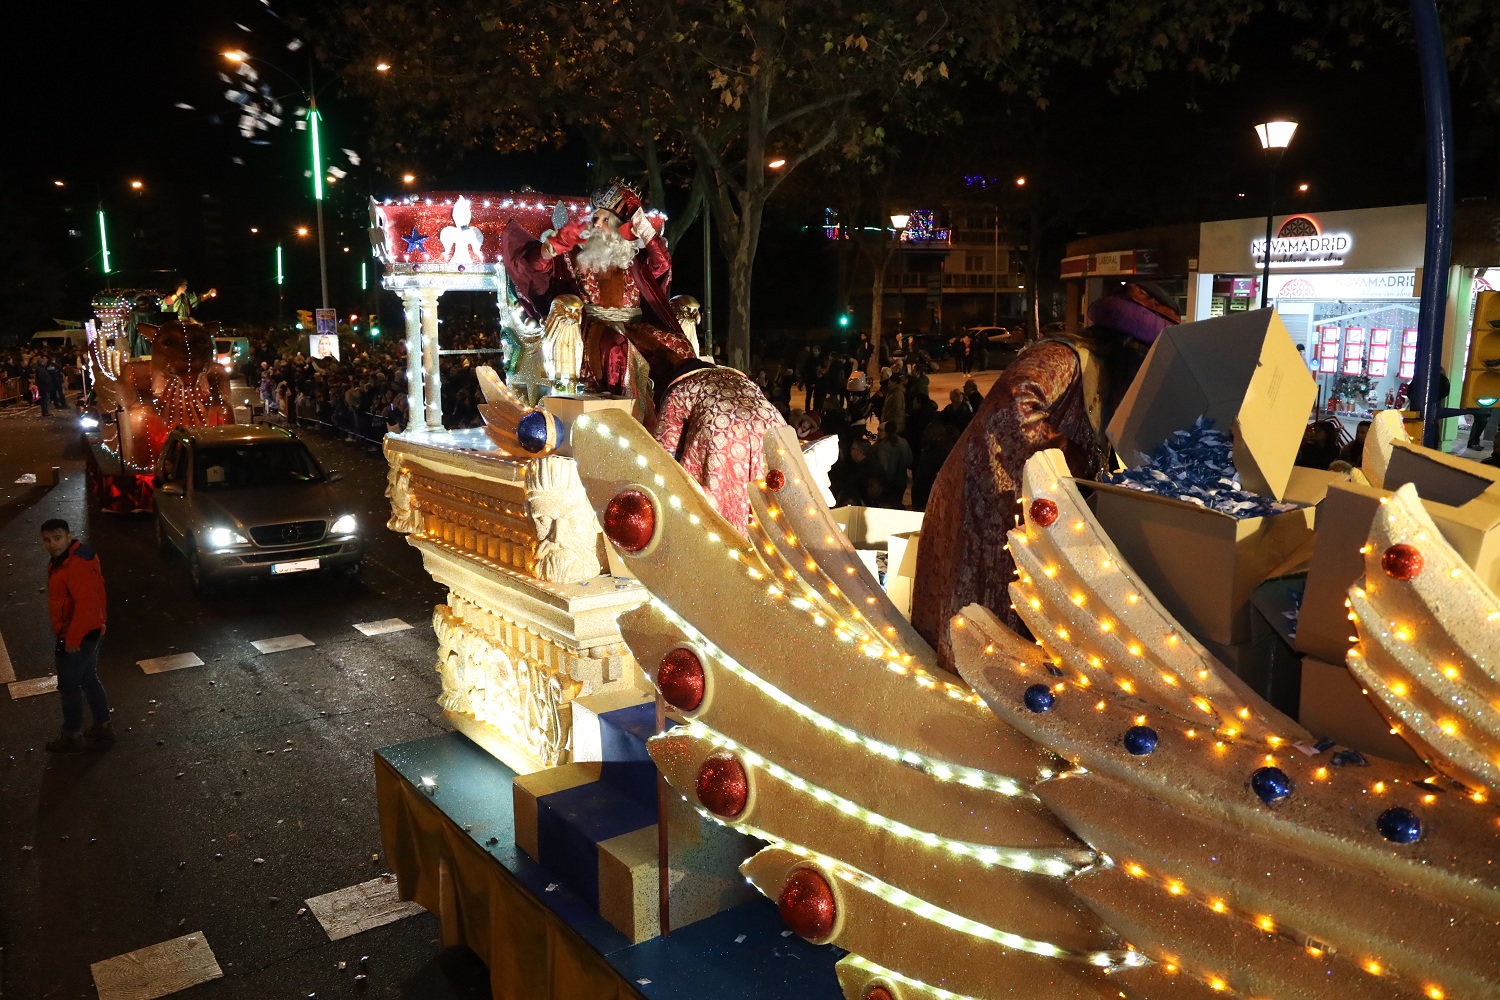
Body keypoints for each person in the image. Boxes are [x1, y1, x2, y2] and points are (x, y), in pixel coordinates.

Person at [911, 280, 1176, 669]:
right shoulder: (1064, 357)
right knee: (984, 630)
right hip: (985, 504)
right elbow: (1014, 407)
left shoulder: (1100, 373)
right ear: (1129, 350)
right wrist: (1071, 453)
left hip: (1020, 510)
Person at [40, 519, 113, 753]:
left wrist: (72, 638)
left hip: (78, 634)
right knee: (88, 678)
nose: (52, 544)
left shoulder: (75, 564)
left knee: (69, 687)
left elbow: (87, 604)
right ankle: (103, 726)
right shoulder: (64, 561)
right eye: (47, 540)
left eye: (57, 538)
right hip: (89, 631)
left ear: (69, 536)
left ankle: (72, 735)